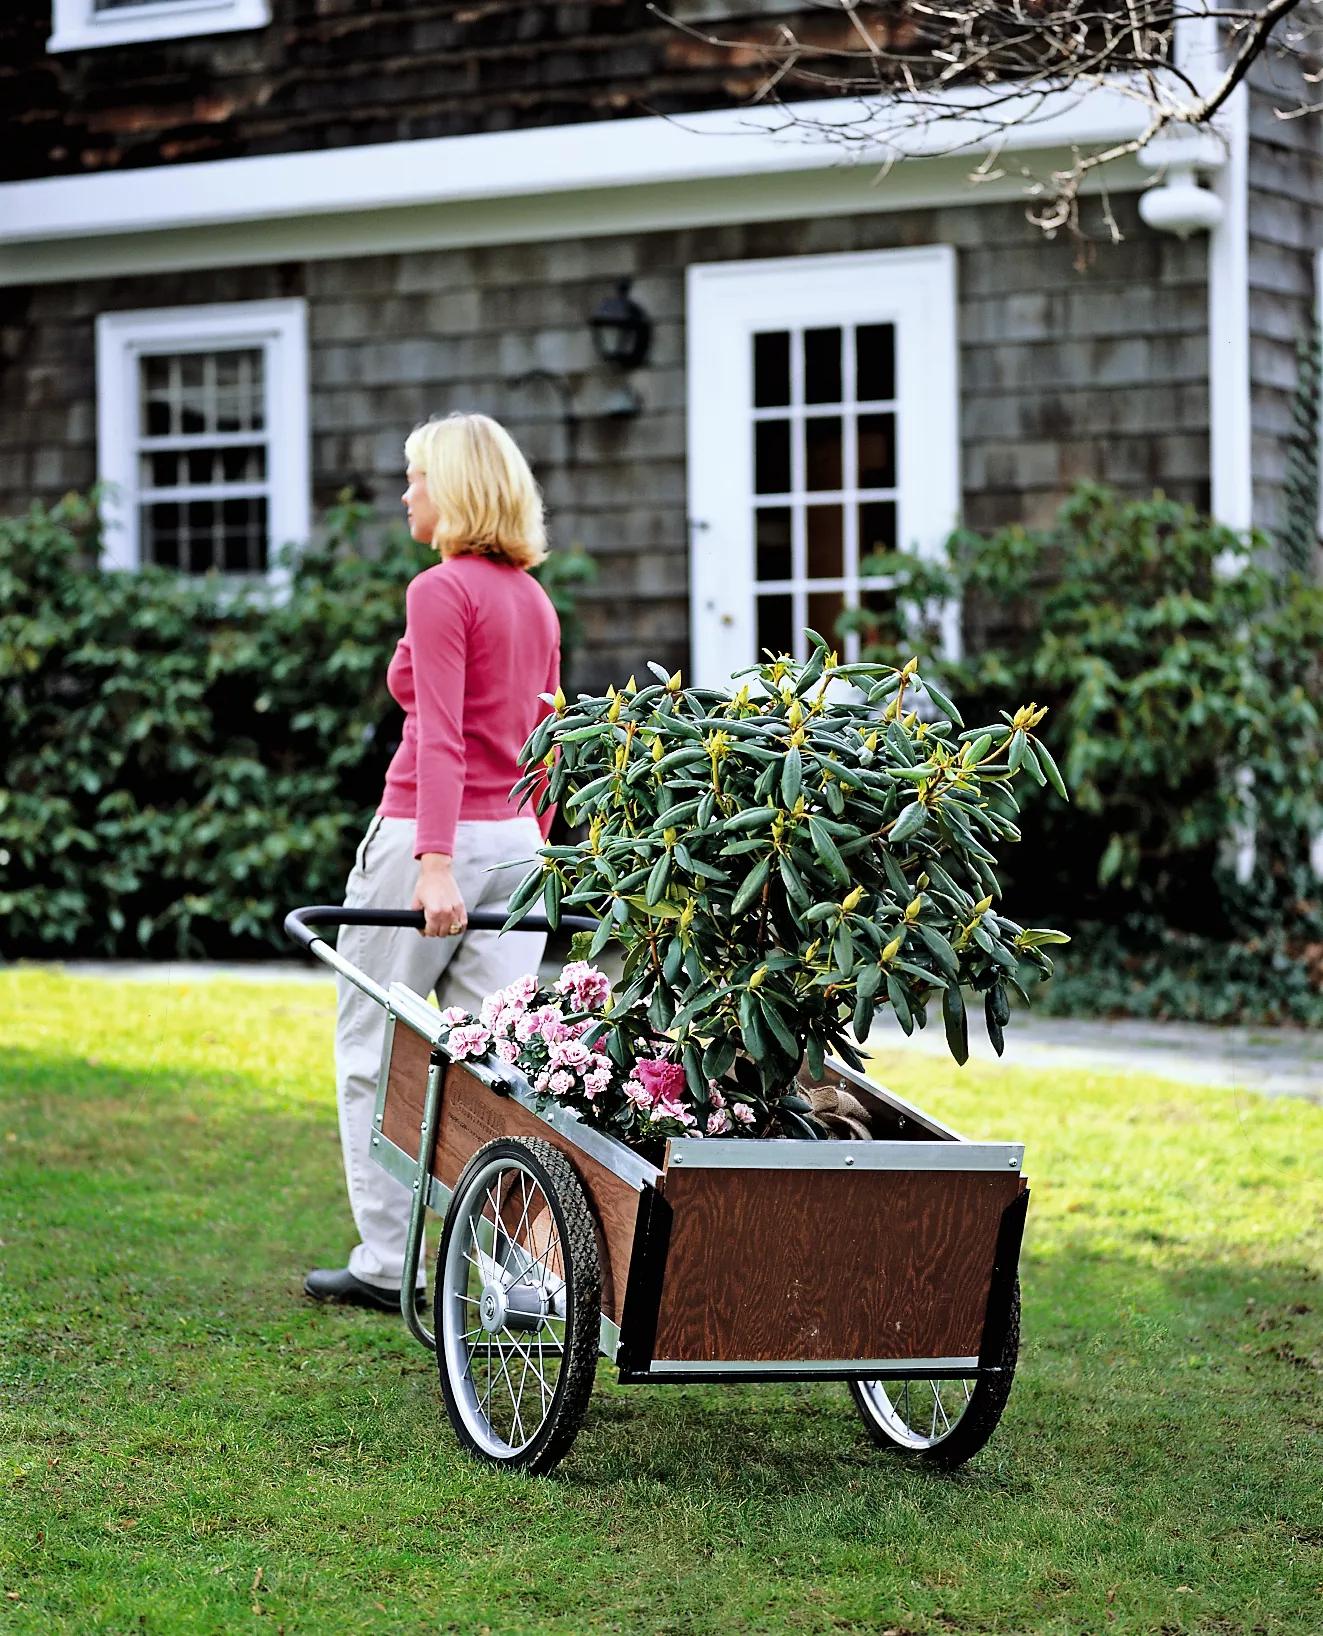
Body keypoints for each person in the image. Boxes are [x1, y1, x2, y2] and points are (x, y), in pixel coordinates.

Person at [305, 412, 560, 1312]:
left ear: (451, 488)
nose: (405, 493)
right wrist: (538, 849)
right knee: (491, 1065)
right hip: (520, 846)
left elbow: (443, 737)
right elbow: (547, 740)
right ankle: (503, 1267)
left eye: (415, 478)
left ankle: (390, 1265)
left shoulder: (440, 589)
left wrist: (436, 862)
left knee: (374, 1049)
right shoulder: (533, 598)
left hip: (436, 839)